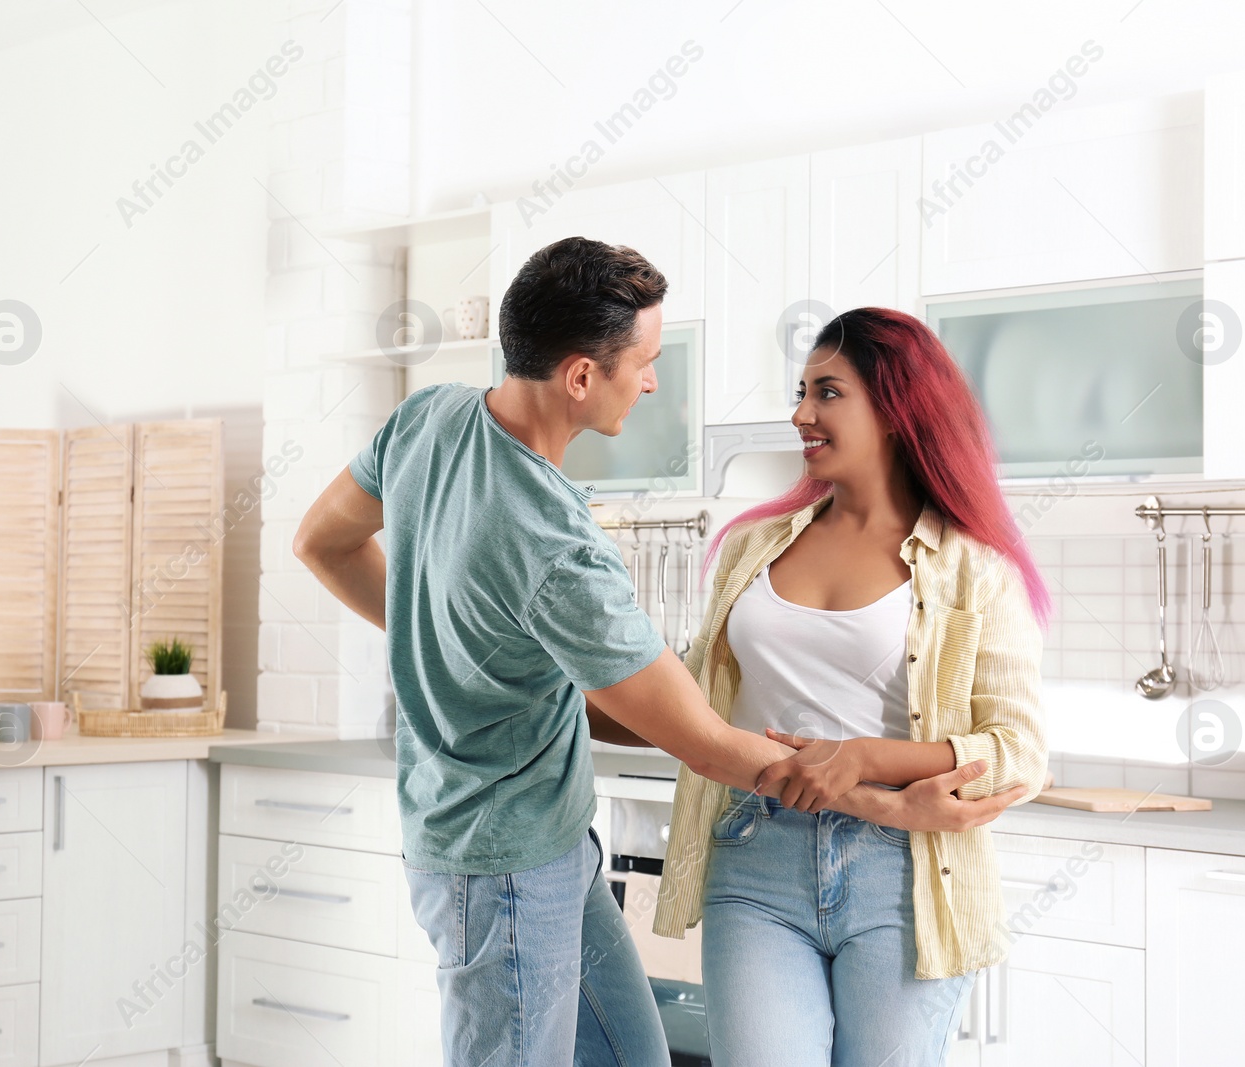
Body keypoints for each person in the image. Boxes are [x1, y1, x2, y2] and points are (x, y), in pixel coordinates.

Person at [295, 240, 1025, 1067]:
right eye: (642, 363)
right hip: (500, 866)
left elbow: (322, 542)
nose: (649, 381)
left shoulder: (427, 417)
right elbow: (703, 740)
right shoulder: (560, 545)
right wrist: (890, 802)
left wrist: (452, 636)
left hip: (547, 841)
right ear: (579, 377)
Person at [651, 307, 1049, 1067]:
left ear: (898, 409)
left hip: (904, 872)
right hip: (754, 849)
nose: (801, 413)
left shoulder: (973, 567)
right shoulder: (751, 546)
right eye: (801, 391)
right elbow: (690, 698)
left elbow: (1019, 752)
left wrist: (863, 757)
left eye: (827, 392)